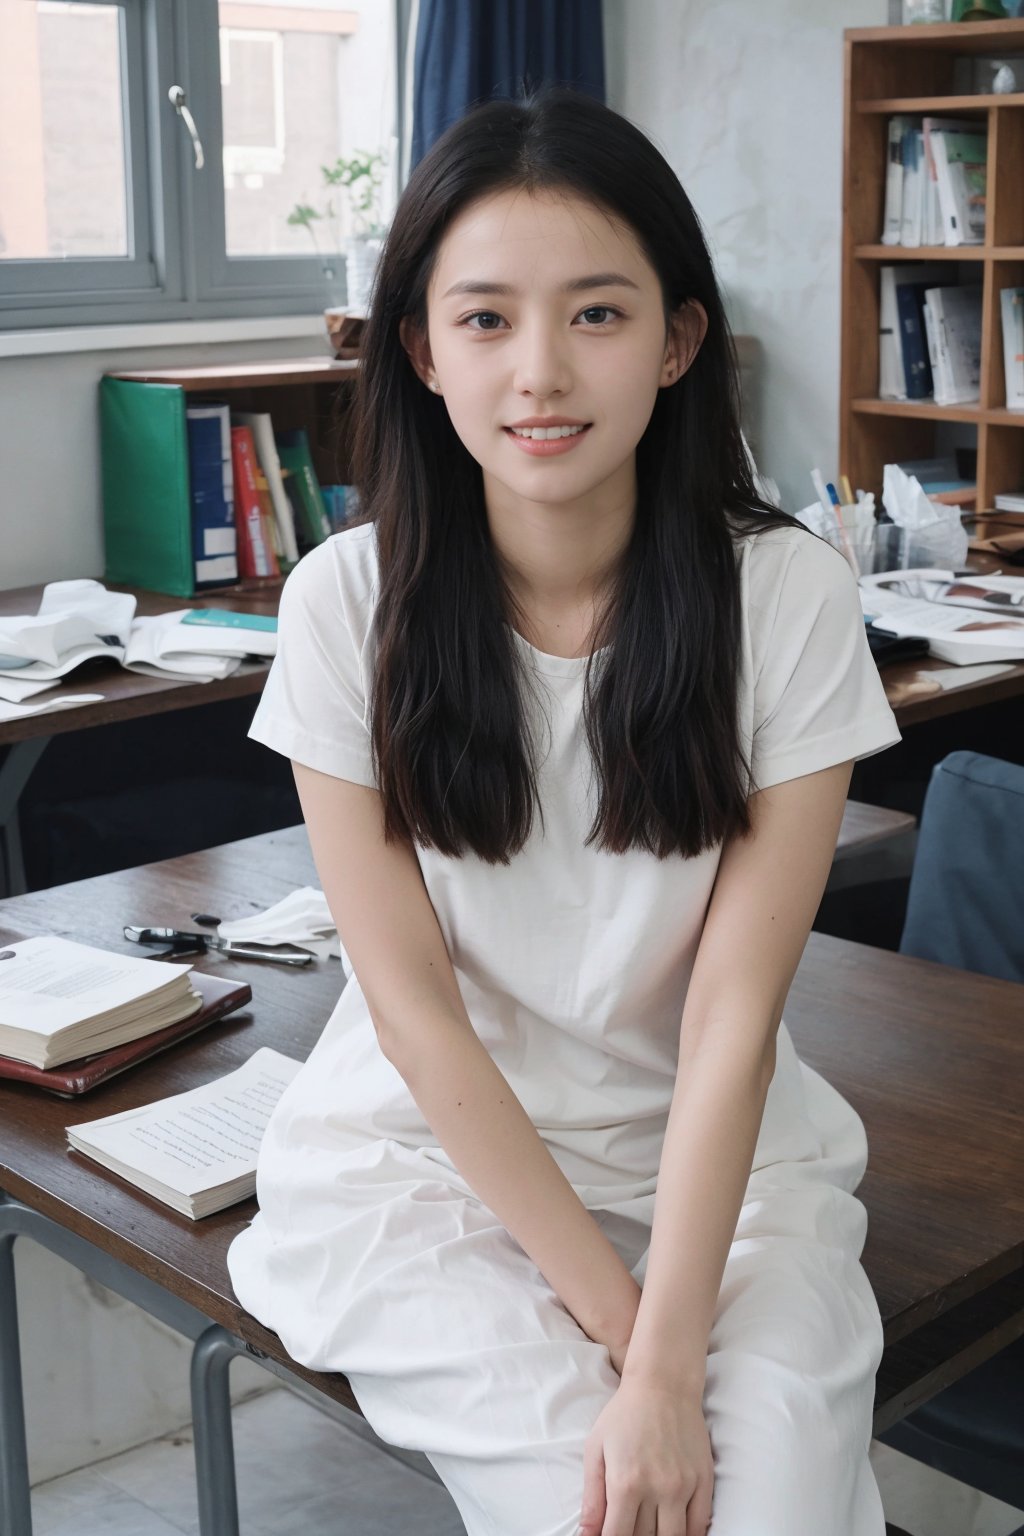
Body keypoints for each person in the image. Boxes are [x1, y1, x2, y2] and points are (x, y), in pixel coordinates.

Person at [226, 85, 901, 1536]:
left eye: (596, 314)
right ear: (419, 348)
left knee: (774, 1511)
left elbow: (732, 1015)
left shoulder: (786, 596)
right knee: (588, 1509)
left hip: (722, 1165)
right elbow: (415, 1012)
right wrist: (618, 1329)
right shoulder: (347, 604)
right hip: (426, 1169)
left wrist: (665, 1360)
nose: (539, 372)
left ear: (677, 341)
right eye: (484, 319)